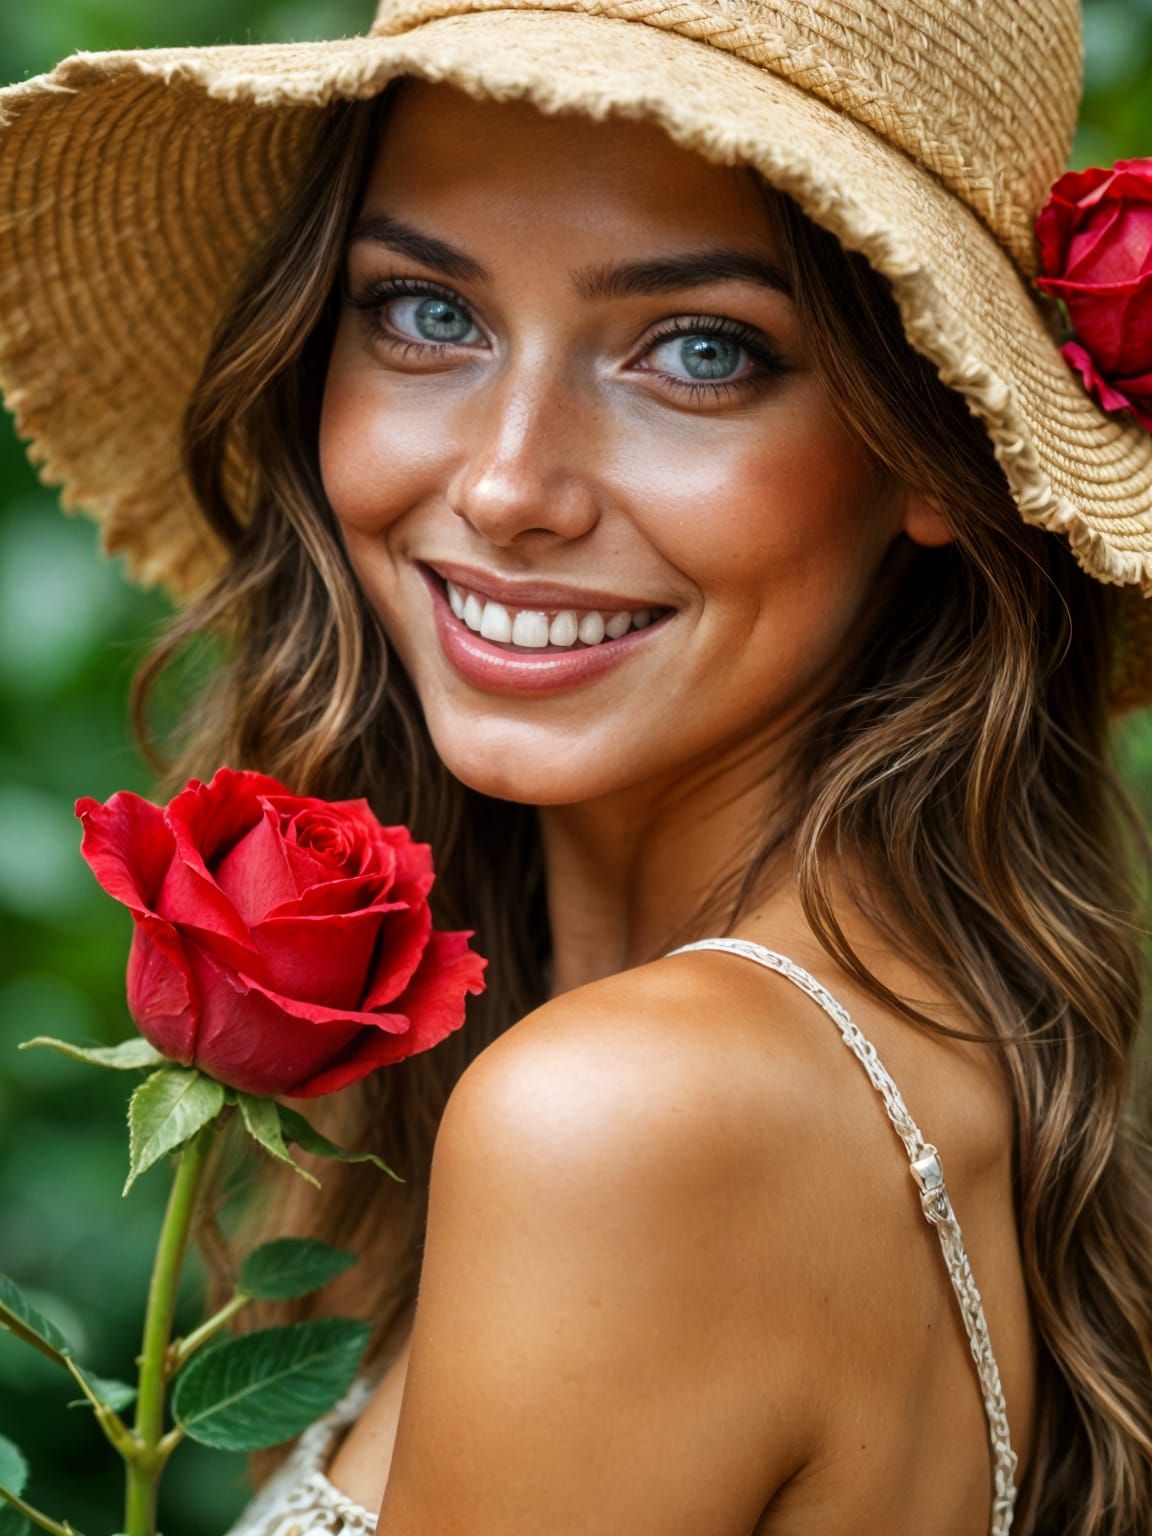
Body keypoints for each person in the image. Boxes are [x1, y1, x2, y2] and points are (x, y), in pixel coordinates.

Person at [1, 2, 1150, 1533]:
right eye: (424, 312)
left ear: (935, 448)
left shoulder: (624, 1121)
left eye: (700, 350)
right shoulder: (924, 1055)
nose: (504, 483)